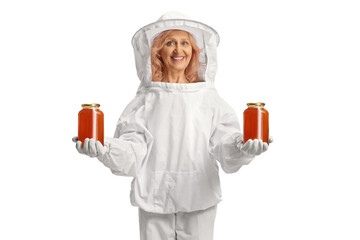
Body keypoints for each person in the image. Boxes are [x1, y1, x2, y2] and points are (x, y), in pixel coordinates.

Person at [73, 11, 273, 240]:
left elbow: (225, 143)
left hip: (199, 197)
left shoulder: (209, 100)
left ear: (194, 50)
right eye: (170, 43)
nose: (179, 50)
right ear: (157, 51)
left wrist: (243, 148)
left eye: (184, 42)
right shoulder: (145, 101)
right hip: (154, 198)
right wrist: (105, 148)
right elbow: (132, 152)